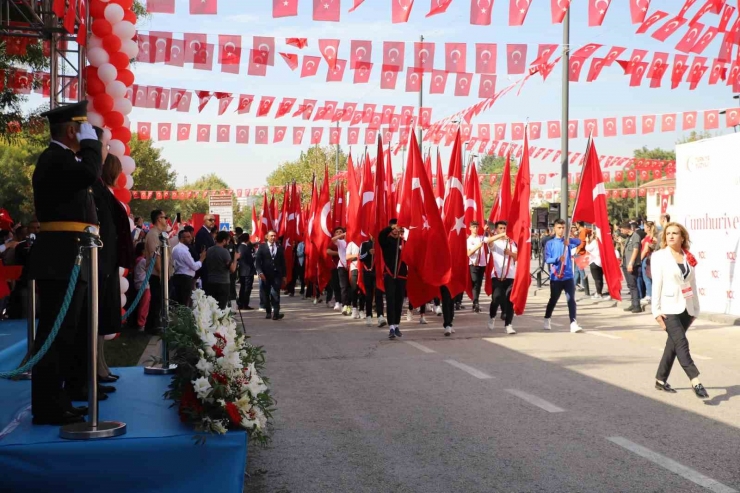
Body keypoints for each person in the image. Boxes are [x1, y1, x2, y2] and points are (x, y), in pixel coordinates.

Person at [28, 101, 100, 425]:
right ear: (72, 130)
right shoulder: (55, 158)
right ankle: (47, 406)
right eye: (82, 129)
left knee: (65, 335)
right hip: (60, 257)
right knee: (54, 335)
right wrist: (92, 145)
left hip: (69, 254)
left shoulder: (61, 159)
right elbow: (91, 173)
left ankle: (58, 399)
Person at [651, 222, 708, 399]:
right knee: (681, 343)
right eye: (668, 233)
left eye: (675, 233)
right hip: (668, 308)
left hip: (686, 308)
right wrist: (656, 311)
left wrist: (695, 310)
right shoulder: (659, 256)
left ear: (682, 237)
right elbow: (657, 285)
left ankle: (660, 380)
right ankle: (695, 380)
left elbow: (692, 284)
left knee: (673, 345)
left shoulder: (688, 256)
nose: (671, 236)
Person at [93, 152, 134, 384]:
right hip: (103, 263)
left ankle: (101, 366)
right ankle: (97, 369)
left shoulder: (105, 193)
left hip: (108, 263)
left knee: (103, 320)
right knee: (98, 320)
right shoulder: (100, 194)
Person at [543, 219, 584, 333]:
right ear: (554, 228)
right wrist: (557, 259)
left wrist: (569, 240)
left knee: (571, 299)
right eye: (559, 228)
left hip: (568, 276)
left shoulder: (567, 242)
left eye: (563, 228)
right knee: (553, 300)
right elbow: (547, 259)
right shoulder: (550, 243)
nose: (561, 230)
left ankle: (573, 323)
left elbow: (579, 241)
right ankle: (547, 318)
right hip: (556, 277)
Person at [144, 209, 173, 334]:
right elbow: (156, 257)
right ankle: (153, 327)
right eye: (164, 217)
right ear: (158, 219)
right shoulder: (153, 234)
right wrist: (163, 274)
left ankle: (156, 325)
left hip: (164, 274)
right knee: (156, 301)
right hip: (158, 275)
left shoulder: (162, 234)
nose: (166, 220)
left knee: (160, 301)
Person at [487, 221, 517, 335]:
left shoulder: (511, 243)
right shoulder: (495, 243)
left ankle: (508, 325)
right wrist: (499, 235)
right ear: (496, 230)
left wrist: (510, 253)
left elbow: (518, 256)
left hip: (510, 276)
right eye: (500, 228)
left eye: (504, 228)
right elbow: (488, 241)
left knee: (510, 301)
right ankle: (492, 316)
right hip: (497, 276)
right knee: (497, 298)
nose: (503, 230)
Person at [378, 219, 406, 339]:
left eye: (397, 229)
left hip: (401, 275)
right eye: (394, 229)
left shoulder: (404, 242)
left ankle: (397, 325)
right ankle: (391, 327)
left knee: (399, 300)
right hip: (389, 274)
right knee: (390, 299)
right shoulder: (386, 241)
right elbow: (381, 235)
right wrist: (390, 227)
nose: (396, 231)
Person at [255, 230, 286, 320]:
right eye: (271, 236)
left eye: (274, 236)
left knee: (275, 293)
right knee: (266, 293)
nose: (273, 238)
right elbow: (258, 262)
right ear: (267, 237)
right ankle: (268, 311)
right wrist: (260, 272)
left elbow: (283, 263)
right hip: (265, 275)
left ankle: (276, 313)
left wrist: (284, 275)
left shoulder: (279, 248)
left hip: (277, 274)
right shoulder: (262, 247)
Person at [204, 231, 240, 310]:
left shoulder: (209, 250)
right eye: (228, 240)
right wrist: (235, 259)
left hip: (211, 281)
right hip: (223, 282)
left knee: (212, 307)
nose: (228, 242)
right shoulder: (224, 252)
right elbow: (232, 269)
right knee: (221, 307)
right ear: (224, 240)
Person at [172, 229, 206, 306]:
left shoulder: (175, 248)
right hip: (185, 279)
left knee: (181, 301)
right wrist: (201, 259)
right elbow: (194, 266)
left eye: (190, 236)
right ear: (182, 238)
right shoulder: (183, 251)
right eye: (188, 237)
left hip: (179, 276)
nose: (191, 238)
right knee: (184, 302)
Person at [359, 235, 386, 327]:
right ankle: (369, 316)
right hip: (367, 272)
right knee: (369, 295)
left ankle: (380, 316)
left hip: (378, 272)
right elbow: (360, 257)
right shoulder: (364, 244)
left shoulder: (381, 243)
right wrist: (368, 253)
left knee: (379, 294)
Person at [619, 221, 644, 314]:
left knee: (633, 285)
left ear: (626, 228)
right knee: (630, 285)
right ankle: (633, 303)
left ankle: (637, 305)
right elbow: (625, 251)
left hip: (632, 264)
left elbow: (636, 250)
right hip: (625, 264)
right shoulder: (628, 238)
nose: (621, 231)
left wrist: (631, 263)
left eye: (622, 229)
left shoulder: (635, 236)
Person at [466, 221, 487, 313]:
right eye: (474, 227)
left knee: (478, 284)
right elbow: (469, 253)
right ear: (470, 228)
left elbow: (490, 240)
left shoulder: (481, 238)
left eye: (477, 227)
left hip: (482, 264)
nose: (475, 229)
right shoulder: (469, 240)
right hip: (473, 264)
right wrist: (477, 246)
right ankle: (476, 302)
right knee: (474, 283)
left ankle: (475, 302)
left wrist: (489, 232)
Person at [585, 231, 608, 300]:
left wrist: (587, 241)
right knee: (600, 278)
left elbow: (588, 248)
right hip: (601, 262)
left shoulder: (595, 242)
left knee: (597, 279)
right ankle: (599, 292)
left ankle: (599, 293)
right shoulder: (603, 242)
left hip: (594, 261)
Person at [133, 242, 150, 332]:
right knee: (144, 305)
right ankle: (141, 324)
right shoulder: (143, 261)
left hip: (140, 285)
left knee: (142, 305)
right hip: (144, 286)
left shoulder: (138, 259)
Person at [640, 221, 658, 306]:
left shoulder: (652, 237)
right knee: (646, 277)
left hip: (647, 258)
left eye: (645, 226)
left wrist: (640, 259)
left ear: (649, 228)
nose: (644, 228)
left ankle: (649, 295)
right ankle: (649, 294)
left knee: (647, 277)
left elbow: (646, 250)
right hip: (646, 258)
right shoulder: (646, 236)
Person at [194, 214, 216, 285]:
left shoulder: (208, 233)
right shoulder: (202, 233)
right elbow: (204, 250)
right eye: (210, 220)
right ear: (204, 221)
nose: (212, 222)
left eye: (214, 220)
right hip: (205, 265)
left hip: (209, 266)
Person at [237, 233, 255, 310]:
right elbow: (250, 259)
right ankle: (245, 304)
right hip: (248, 271)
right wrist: (254, 257)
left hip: (242, 271)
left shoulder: (240, 247)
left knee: (243, 288)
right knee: (247, 289)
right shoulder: (246, 248)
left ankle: (241, 303)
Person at [573, 222, 591, 296]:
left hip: (580, 253)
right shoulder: (584, 230)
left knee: (580, 269)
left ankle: (584, 285)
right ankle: (573, 285)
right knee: (577, 270)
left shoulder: (583, 231)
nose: (575, 225)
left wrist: (577, 251)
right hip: (580, 252)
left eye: (576, 224)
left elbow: (582, 243)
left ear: (578, 224)